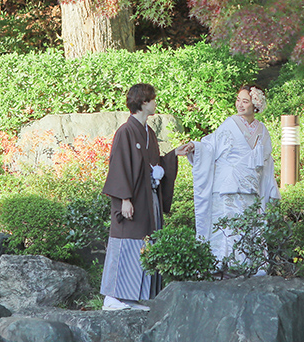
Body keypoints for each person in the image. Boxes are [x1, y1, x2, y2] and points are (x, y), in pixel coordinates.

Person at [178, 84, 280, 269]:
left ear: (255, 105)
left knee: (248, 226)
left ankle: (249, 267)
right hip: (227, 185)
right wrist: (196, 147)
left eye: (245, 101)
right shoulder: (230, 123)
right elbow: (211, 146)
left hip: (250, 187)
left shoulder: (262, 130)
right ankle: (221, 267)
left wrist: (270, 187)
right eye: (238, 100)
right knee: (227, 227)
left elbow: (266, 162)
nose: (240, 105)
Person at [100, 83, 178, 311]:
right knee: (127, 242)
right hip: (132, 199)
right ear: (143, 102)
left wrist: (174, 155)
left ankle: (133, 297)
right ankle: (112, 296)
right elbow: (119, 165)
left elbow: (154, 164)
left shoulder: (148, 132)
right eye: (153, 99)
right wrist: (124, 199)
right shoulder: (126, 131)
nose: (156, 103)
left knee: (145, 243)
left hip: (148, 199)